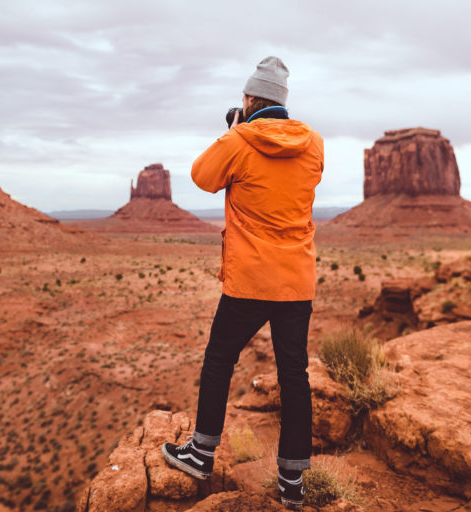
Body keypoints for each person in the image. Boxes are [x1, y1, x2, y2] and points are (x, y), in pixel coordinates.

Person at [161, 56, 323, 510]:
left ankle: (201, 452)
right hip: (296, 280)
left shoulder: (241, 140)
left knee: (218, 359)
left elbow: (201, 176)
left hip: (250, 279)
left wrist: (234, 130)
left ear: (250, 99)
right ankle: (293, 482)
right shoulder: (314, 144)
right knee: (295, 375)